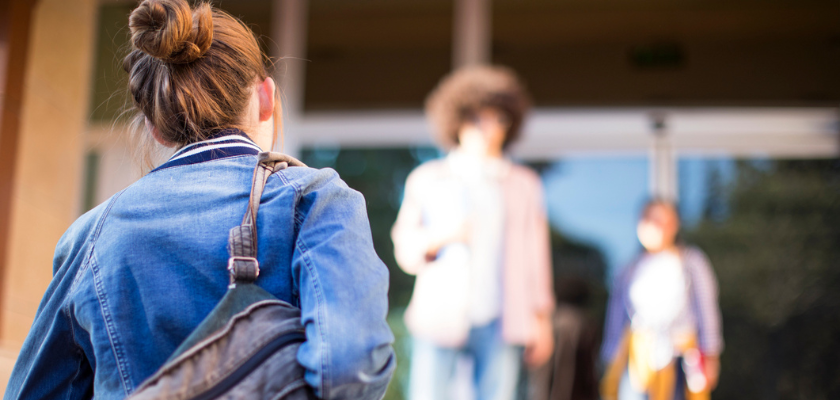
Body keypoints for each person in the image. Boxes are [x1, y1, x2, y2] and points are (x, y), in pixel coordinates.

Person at [3, 1, 395, 399]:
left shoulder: (90, 235)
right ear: (266, 97)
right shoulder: (315, 199)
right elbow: (350, 367)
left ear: (155, 127)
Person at [391, 65, 555, 400]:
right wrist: (441, 236)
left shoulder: (524, 185)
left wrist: (541, 320)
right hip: (439, 314)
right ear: (457, 121)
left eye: (498, 120)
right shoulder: (428, 178)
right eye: (477, 119)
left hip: (502, 317)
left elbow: (536, 256)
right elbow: (405, 249)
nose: (488, 129)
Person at [600, 200, 723, 400]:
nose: (652, 226)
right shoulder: (629, 269)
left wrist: (710, 354)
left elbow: (706, 310)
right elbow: (616, 318)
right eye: (647, 219)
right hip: (640, 358)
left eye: (659, 220)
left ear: (674, 224)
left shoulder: (691, 261)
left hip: (680, 356)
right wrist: (611, 357)